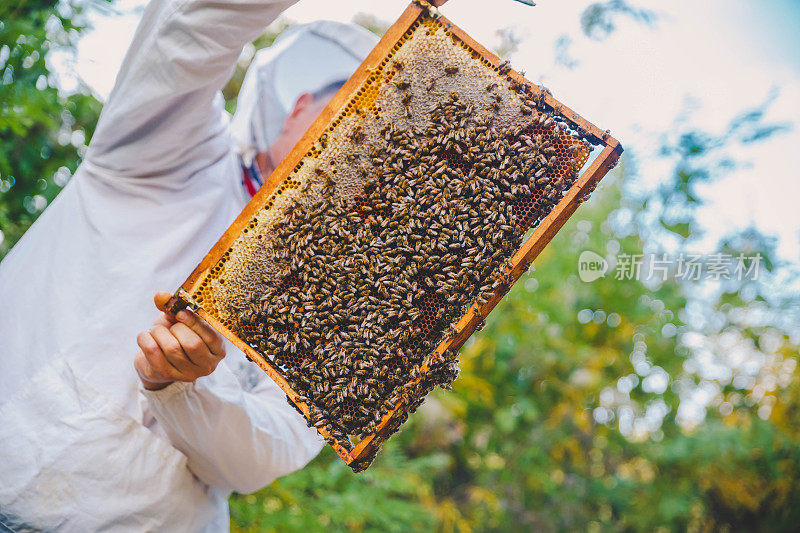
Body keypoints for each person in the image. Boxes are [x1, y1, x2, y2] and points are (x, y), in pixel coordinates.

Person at [0, 0, 449, 530]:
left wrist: (183, 386)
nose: (366, 145)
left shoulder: (344, 305)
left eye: (391, 147)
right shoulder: (168, 153)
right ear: (300, 105)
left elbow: (263, 453)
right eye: (360, 114)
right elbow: (193, 24)